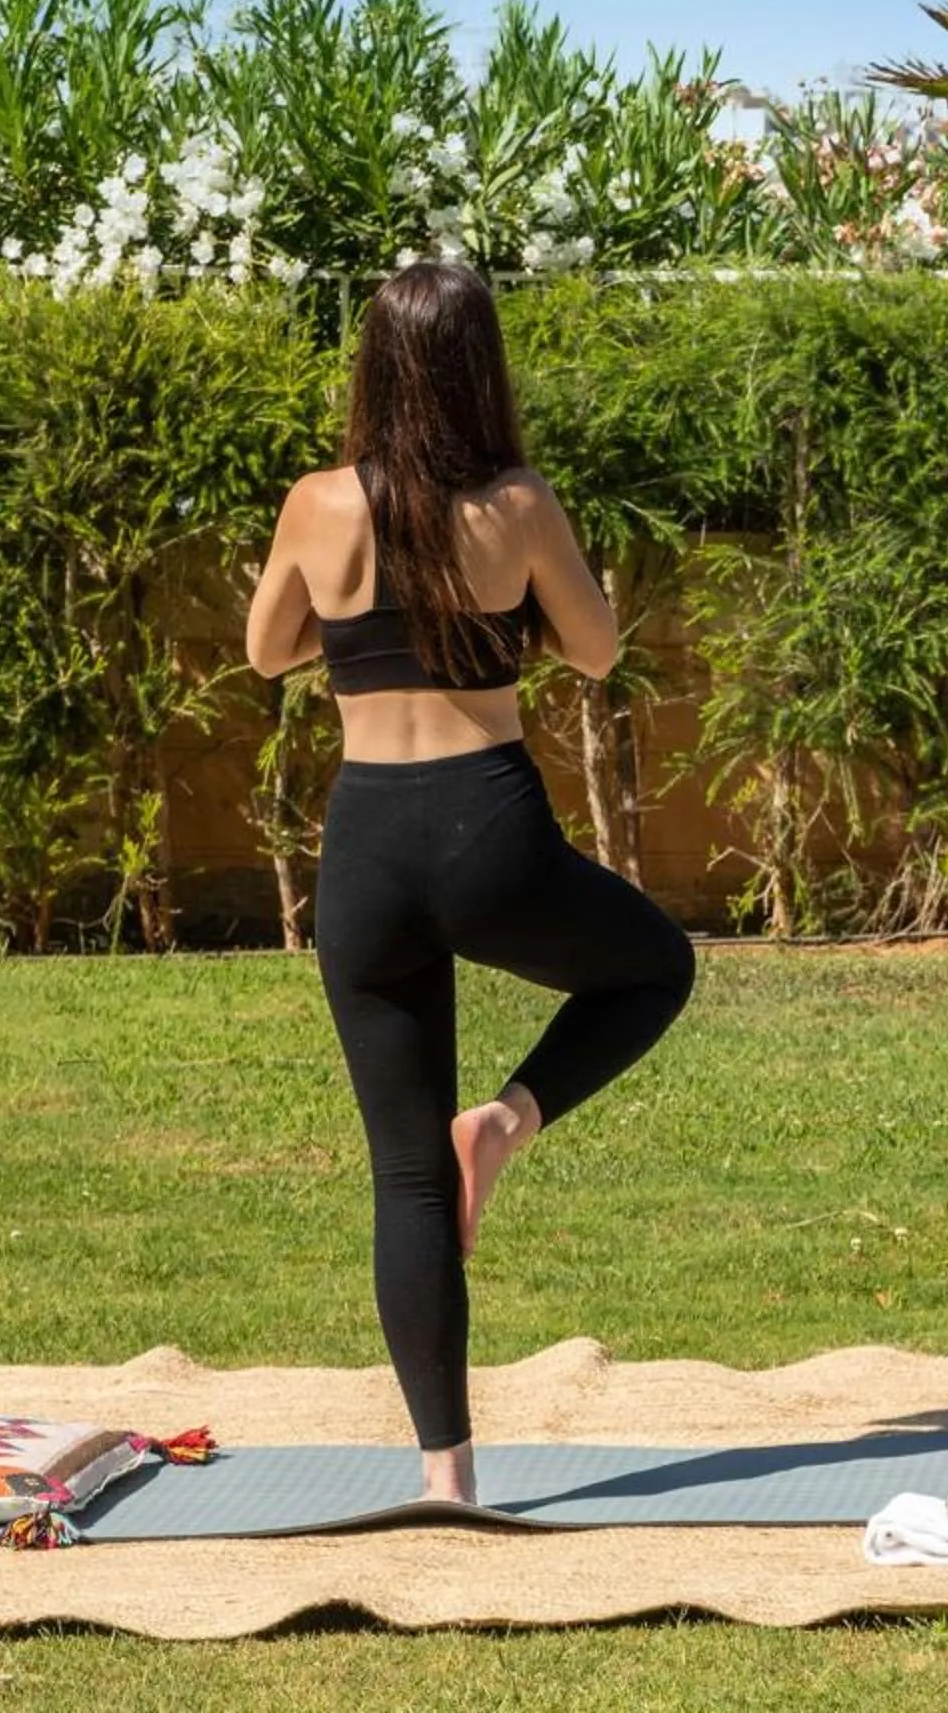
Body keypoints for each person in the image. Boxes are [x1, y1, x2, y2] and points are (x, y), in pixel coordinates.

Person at [243, 261, 696, 1500]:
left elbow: (267, 647)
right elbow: (598, 653)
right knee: (656, 964)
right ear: (477, 369)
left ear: (375, 370)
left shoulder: (316, 503)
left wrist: (359, 620)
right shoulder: (517, 503)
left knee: (402, 1172)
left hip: (369, 848)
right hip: (490, 830)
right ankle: (508, 1118)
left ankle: (447, 1473)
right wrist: (509, 622)